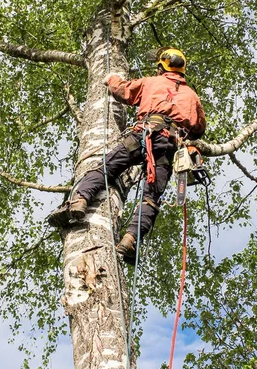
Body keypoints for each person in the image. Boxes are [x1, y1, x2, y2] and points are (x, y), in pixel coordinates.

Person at [48, 47, 206, 262]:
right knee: (150, 198)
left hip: (143, 135)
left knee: (106, 168)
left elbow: (124, 91)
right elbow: (198, 128)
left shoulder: (151, 82)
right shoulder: (192, 96)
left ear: (162, 66)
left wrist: (111, 79)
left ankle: (78, 202)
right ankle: (130, 239)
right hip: (168, 145)